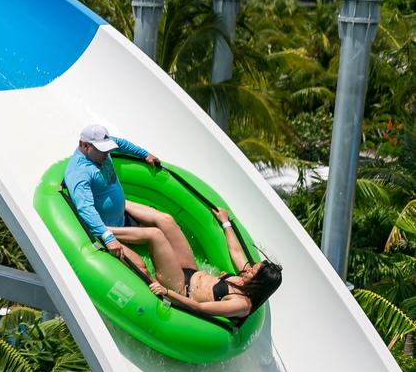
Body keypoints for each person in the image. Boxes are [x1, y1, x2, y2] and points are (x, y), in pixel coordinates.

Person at [137, 207, 283, 318]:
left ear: (258, 283)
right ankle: (120, 202)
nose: (248, 269)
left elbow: (200, 308)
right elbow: (236, 252)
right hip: (190, 271)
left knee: (156, 236)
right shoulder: (245, 279)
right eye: (252, 267)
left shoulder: (241, 303)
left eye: (253, 271)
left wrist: (167, 292)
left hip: (179, 289)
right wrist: (225, 222)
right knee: (166, 220)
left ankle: (112, 233)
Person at [64, 124, 160, 271]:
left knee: (163, 223)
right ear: (84, 146)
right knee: (141, 267)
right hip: (106, 230)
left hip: (122, 218)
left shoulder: (99, 148)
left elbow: (121, 144)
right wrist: (108, 237)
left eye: (107, 148)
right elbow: (85, 207)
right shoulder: (79, 172)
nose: (107, 153)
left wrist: (144, 154)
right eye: (102, 150)